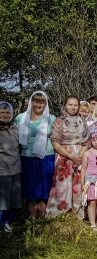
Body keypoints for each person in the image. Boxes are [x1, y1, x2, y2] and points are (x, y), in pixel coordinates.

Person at [47, 95, 90, 219]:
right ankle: (60, 212)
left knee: (78, 184)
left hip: (80, 156)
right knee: (62, 184)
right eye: (70, 104)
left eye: (75, 105)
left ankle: (78, 212)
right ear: (65, 105)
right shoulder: (58, 121)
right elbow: (55, 142)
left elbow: (87, 141)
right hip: (64, 155)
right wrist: (71, 156)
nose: (73, 107)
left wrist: (80, 155)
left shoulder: (83, 121)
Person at [16, 91, 56, 219]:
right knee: (30, 188)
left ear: (46, 104)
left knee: (44, 188)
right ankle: (32, 219)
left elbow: (58, 138)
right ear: (31, 102)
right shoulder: (20, 118)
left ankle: (42, 218)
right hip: (26, 157)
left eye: (41, 102)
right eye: (36, 101)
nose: (38, 105)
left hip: (46, 157)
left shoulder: (52, 118)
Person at [0, 102, 21, 232]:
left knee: (14, 197)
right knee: (3, 198)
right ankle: (1, 223)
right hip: (2, 169)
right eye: (2, 112)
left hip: (15, 168)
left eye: (7, 113)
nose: (5, 115)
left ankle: (9, 221)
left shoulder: (14, 128)